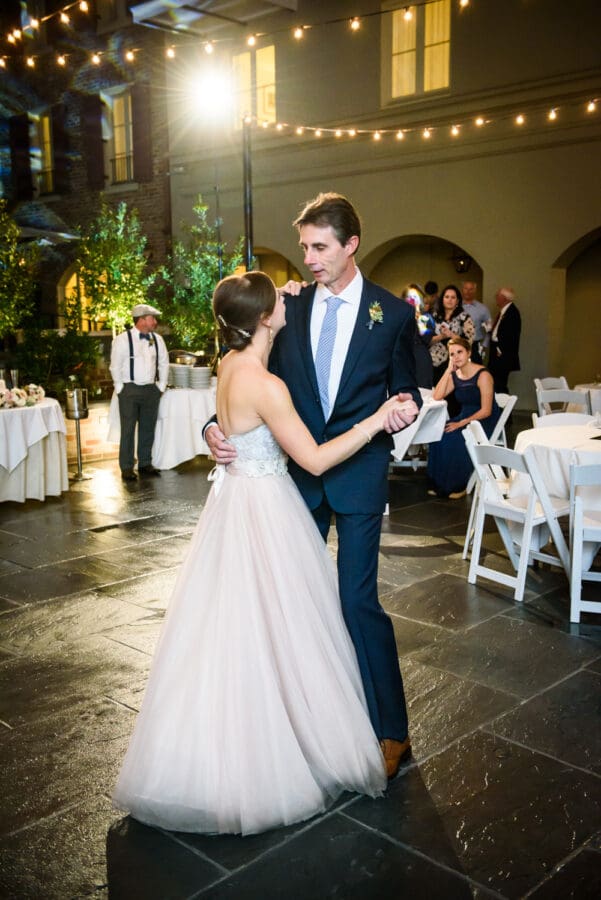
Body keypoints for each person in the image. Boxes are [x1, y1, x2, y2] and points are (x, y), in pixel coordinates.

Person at [113, 271, 414, 835]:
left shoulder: (231, 364)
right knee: (286, 621)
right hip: (271, 505)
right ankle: (278, 746)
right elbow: (317, 460)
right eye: (278, 299)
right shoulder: (266, 382)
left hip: (237, 505)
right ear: (263, 318)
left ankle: (258, 730)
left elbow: (234, 416)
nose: (289, 296)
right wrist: (376, 422)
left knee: (241, 626)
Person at [205, 192, 421, 779]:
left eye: (320, 247)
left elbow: (412, 388)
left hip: (357, 475)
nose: (310, 259)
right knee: (289, 605)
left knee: (355, 602)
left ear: (352, 245)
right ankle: (302, 723)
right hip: (291, 479)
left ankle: (389, 731)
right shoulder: (287, 308)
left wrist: (403, 408)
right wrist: (212, 428)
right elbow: (243, 378)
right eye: (305, 247)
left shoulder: (393, 315)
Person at [427, 336, 500, 499]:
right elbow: (437, 396)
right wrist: (448, 371)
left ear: (468, 352)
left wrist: (461, 423)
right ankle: (439, 483)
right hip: (464, 416)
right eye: (452, 354)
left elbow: (486, 410)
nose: (456, 357)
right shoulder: (456, 375)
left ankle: (457, 485)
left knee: (455, 437)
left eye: (460, 352)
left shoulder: (483, 374)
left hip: (482, 420)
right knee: (439, 433)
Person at [109, 304, 169, 481]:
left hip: (151, 389)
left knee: (148, 428)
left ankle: (145, 463)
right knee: (127, 429)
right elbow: (115, 365)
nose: (155, 322)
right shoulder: (122, 340)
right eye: (152, 318)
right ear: (142, 320)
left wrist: (161, 386)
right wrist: (120, 388)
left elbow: (164, 363)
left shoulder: (157, 339)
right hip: (129, 389)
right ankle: (126, 467)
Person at [429, 283, 475, 385]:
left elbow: (468, 342)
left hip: (454, 363)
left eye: (453, 297)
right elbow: (425, 340)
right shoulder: (433, 316)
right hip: (432, 361)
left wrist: (451, 335)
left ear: (458, 301)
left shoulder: (465, 317)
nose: (449, 300)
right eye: (447, 297)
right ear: (442, 299)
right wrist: (441, 336)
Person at [401, 283, 435, 389]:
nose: (412, 300)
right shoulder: (399, 315)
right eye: (409, 296)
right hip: (403, 355)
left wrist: (419, 319)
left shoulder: (426, 317)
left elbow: (427, 338)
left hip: (420, 356)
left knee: (422, 389)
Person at [488, 287, 521, 394]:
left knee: (500, 385)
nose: (496, 298)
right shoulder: (505, 311)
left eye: (497, 296)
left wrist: (500, 350)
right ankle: (500, 409)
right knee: (496, 384)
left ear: (504, 298)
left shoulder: (512, 313)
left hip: (501, 355)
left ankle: (506, 409)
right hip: (497, 353)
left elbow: (511, 336)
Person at [461, 280, 492, 364]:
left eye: (471, 289)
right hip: (458, 344)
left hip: (474, 347)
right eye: (466, 288)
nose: (468, 291)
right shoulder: (456, 306)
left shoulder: (483, 309)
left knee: (476, 373)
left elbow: (489, 329)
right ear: (462, 290)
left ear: (475, 291)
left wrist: (484, 346)